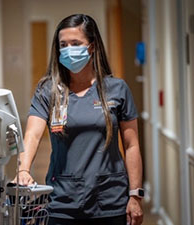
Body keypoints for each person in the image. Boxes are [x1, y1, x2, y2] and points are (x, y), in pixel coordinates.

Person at [15, 14, 143, 225]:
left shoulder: (116, 89)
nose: (68, 50)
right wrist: (23, 170)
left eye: (76, 44)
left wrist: (135, 195)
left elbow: (132, 145)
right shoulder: (48, 90)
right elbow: (33, 134)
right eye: (63, 45)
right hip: (62, 200)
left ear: (91, 47)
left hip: (110, 199)